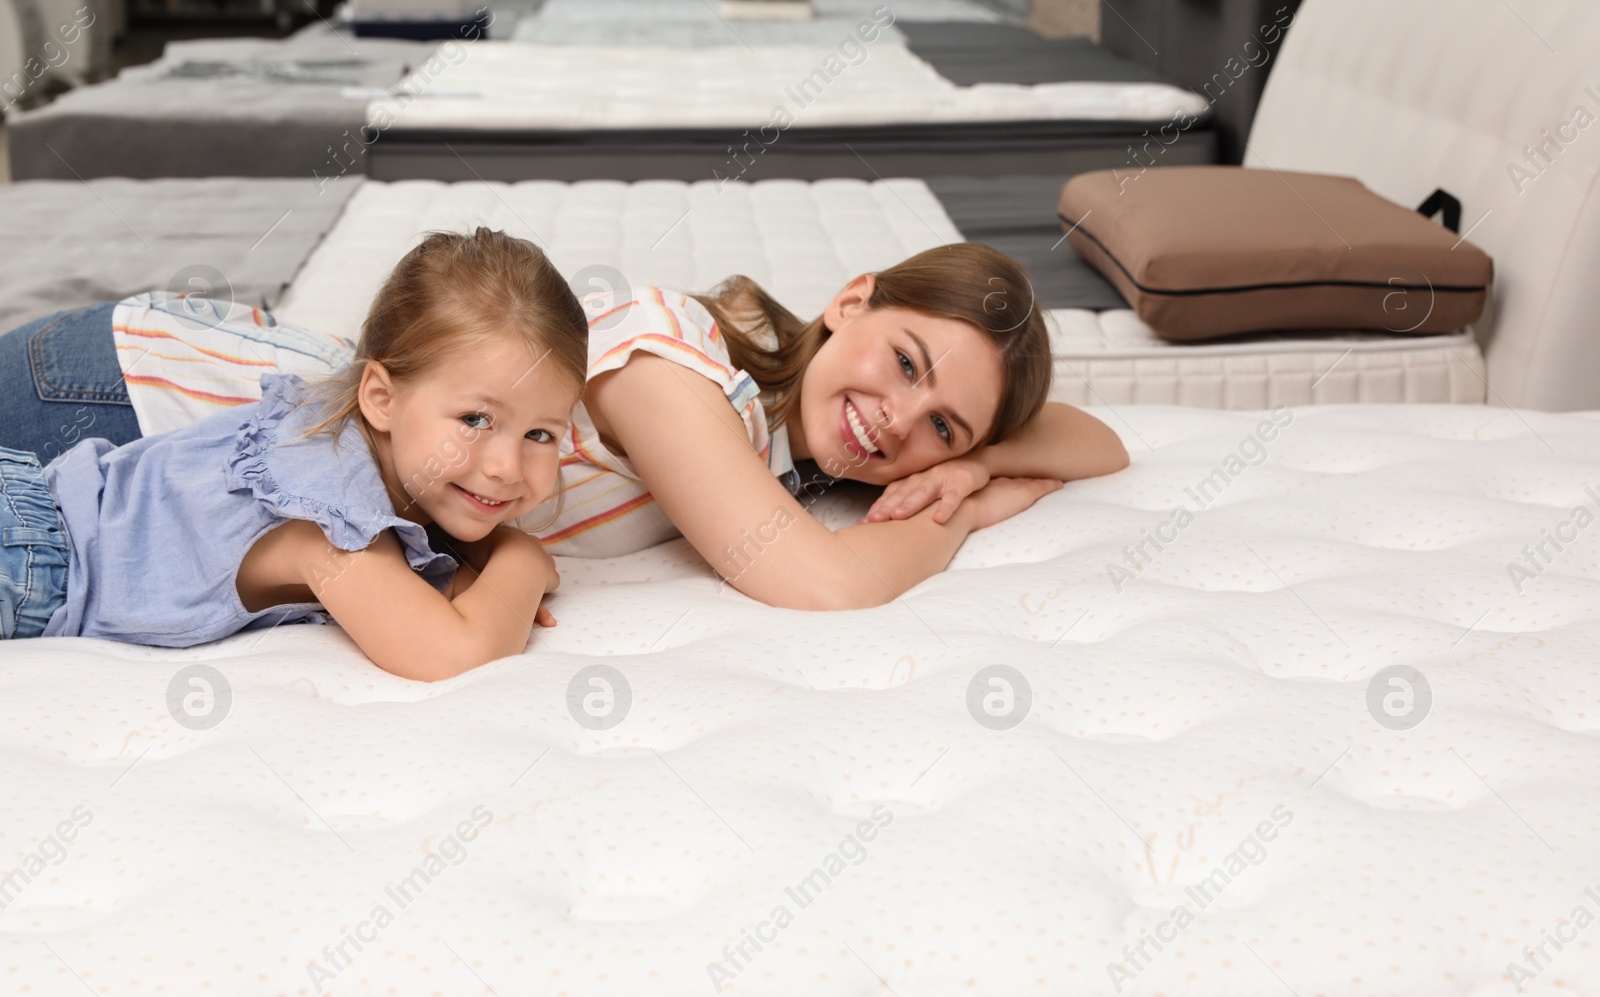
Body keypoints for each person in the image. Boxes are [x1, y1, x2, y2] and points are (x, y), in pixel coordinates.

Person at [0, 241, 1129, 612]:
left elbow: (1098, 440)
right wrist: (973, 503)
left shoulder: (782, 450)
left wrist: (972, 457)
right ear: (853, 300)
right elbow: (818, 586)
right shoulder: (669, 365)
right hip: (131, 398)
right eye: (904, 363)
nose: (897, 423)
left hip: (167, 441)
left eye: (940, 426)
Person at [0, 228, 587, 683]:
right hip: (25, 553)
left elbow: (424, 591)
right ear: (381, 398)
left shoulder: (361, 451)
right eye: (474, 420)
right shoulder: (327, 515)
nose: (506, 467)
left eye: (540, 434)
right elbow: (455, 653)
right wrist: (521, 557)